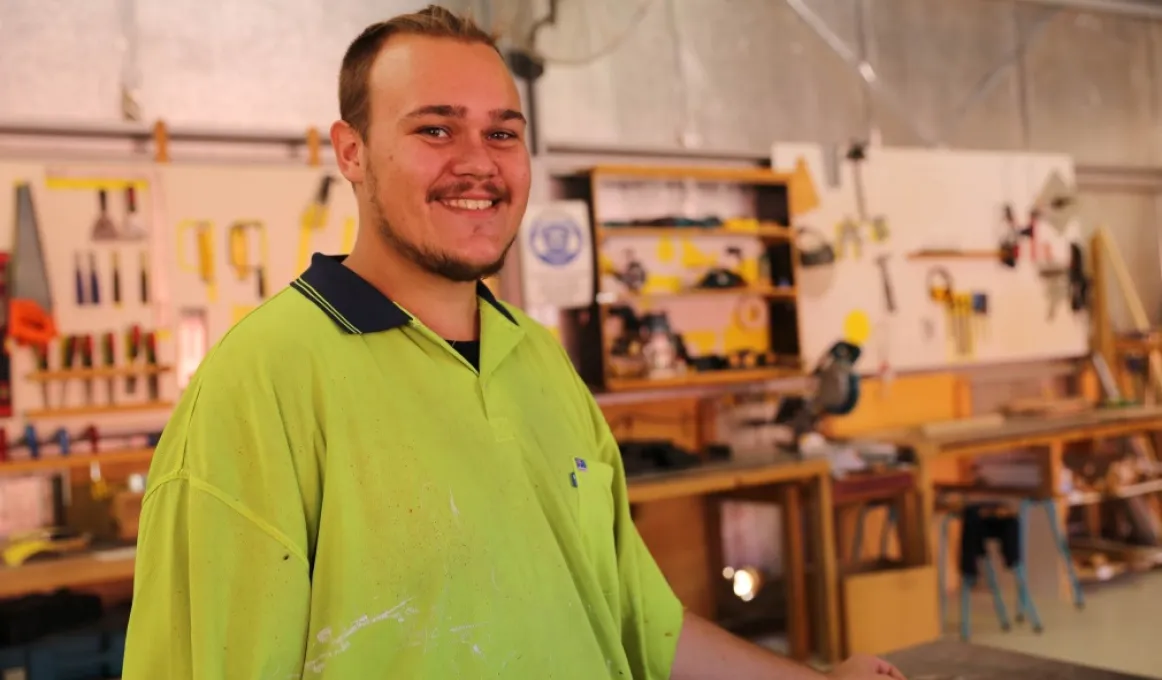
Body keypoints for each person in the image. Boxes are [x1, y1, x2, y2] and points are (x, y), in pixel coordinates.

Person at [122, 6, 906, 679]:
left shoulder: (536, 361)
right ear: (351, 151)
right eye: (435, 129)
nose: (478, 163)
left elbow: (641, 620)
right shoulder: (259, 386)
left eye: (503, 133)